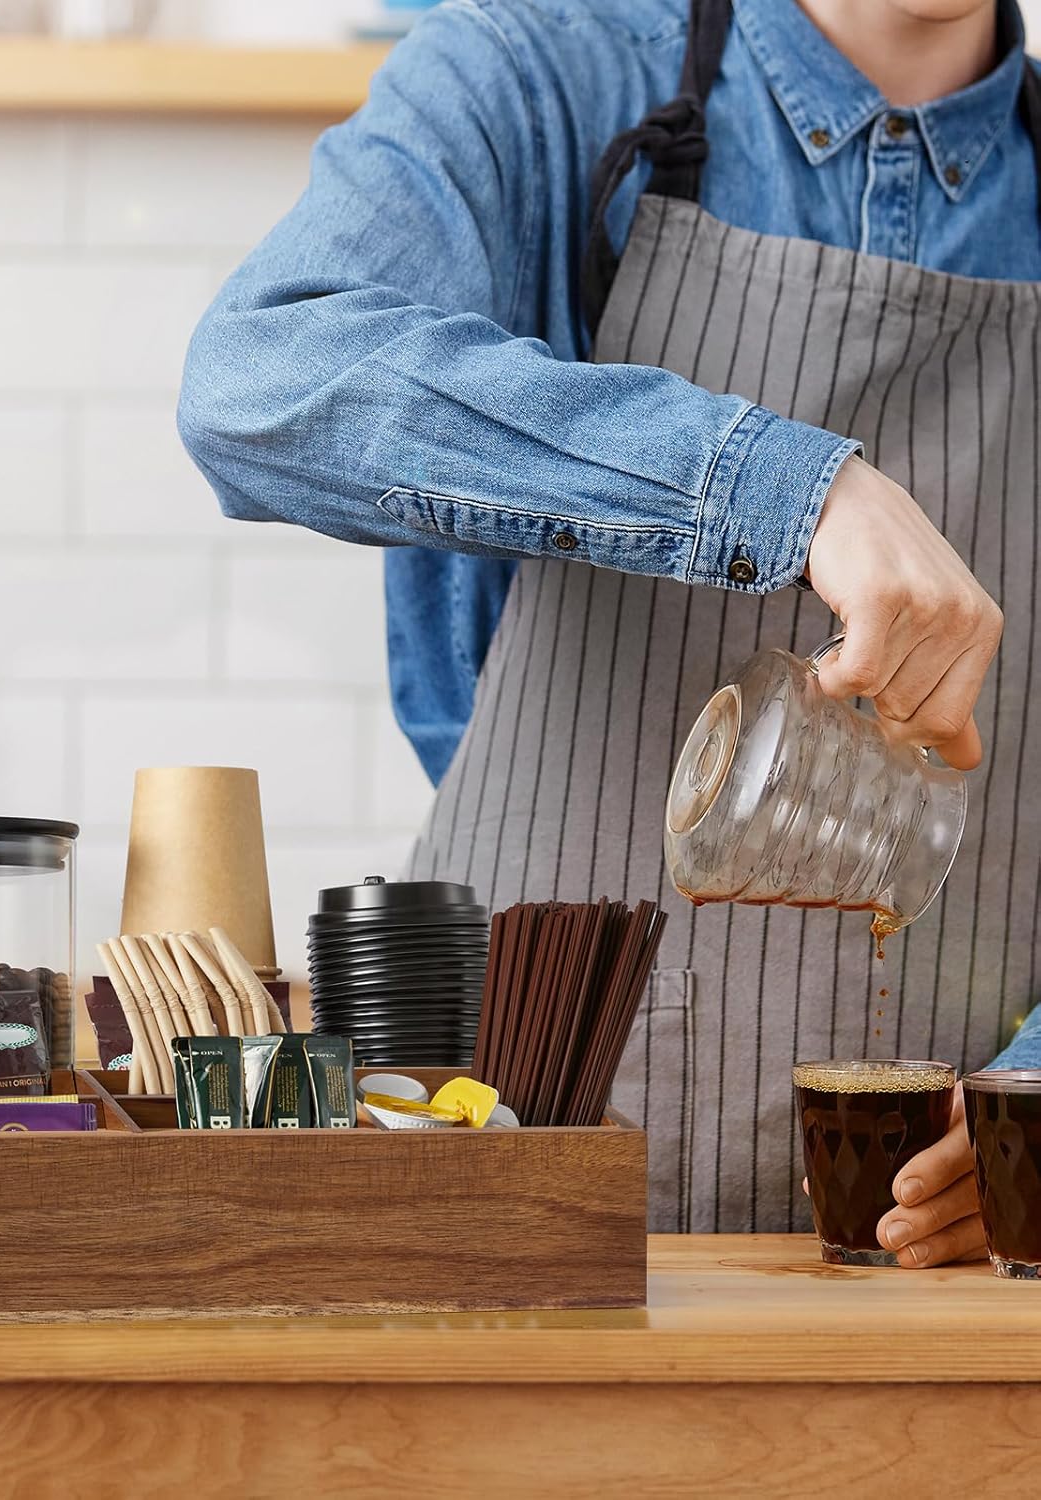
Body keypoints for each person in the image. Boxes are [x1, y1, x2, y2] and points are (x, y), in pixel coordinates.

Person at [178, 0, 1041, 1260]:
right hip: (508, 1186)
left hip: (948, 1267)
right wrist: (780, 488)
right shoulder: (540, 80)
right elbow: (263, 385)